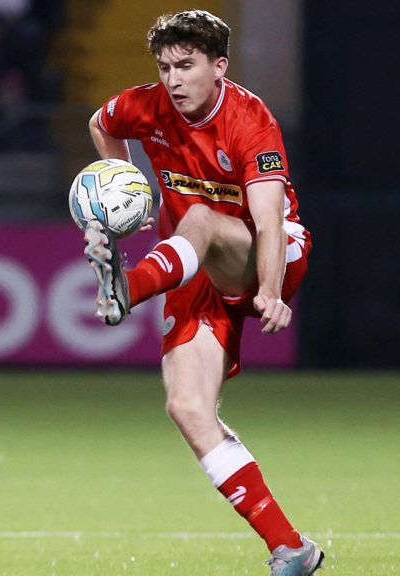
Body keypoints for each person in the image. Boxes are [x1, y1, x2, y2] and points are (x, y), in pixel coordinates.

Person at [82, 11, 323, 576]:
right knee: (187, 408)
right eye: (165, 67)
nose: (174, 79)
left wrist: (270, 290)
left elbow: (266, 218)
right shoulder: (147, 105)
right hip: (190, 265)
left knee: (201, 217)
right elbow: (101, 122)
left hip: (269, 253)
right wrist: (126, 184)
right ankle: (290, 548)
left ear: (220, 66)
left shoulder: (250, 120)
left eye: (187, 66)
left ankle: (127, 285)